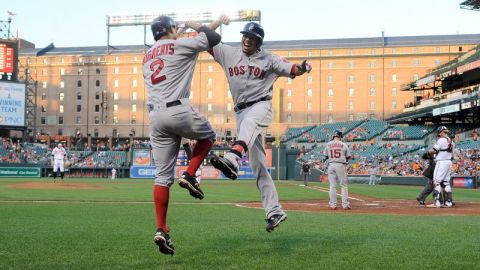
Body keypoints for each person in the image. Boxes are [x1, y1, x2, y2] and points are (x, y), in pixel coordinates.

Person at [208, 18, 312, 232]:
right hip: (240, 111)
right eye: (245, 35)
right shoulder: (228, 53)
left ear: (259, 42)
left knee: (249, 123)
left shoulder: (269, 59)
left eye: (253, 38)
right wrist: (215, 21)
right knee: (259, 166)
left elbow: (292, 68)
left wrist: (302, 67)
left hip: (261, 106)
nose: (248, 40)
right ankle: (275, 211)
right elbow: (205, 38)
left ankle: (233, 158)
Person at [142, 15, 221, 255]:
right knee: (209, 136)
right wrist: (197, 24)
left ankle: (161, 228)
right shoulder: (179, 44)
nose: (178, 30)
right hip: (178, 109)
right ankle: (189, 173)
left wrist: (211, 24)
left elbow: (191, 42)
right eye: (175, 27)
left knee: (161, 178)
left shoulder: (146, 57)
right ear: (168, 29)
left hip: (156, 118)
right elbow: (212, 38)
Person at [426, 126, 455, 208]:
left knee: (436, 182)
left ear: (441, 132)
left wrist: (428, 152)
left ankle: (437, 203)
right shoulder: (451, 141)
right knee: (446, 182)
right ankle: (448, 202)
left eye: (439, 132)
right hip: (448, 162)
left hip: (441, 162)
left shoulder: (442, 140)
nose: (438, 134)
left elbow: (434, 150)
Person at [325, 130, 352, 210]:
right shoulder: (343, 144)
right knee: (343, 185)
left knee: (332, 186)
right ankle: (345, 205)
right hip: (340, 164)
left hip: (331, 165)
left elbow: (326, 156)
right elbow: (348, 156)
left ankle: (333, 205)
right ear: (340, 136)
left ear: (334, 136)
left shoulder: (328, 144)